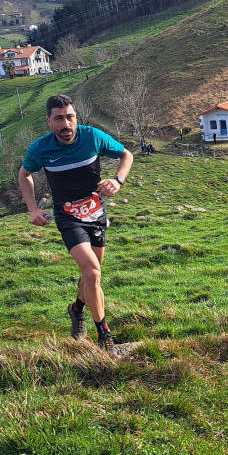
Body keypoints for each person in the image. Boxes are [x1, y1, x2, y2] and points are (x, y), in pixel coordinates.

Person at [18, 94, 133, 349]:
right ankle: (105, 337)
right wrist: (33, 209)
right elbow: (25, 173)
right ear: (49, 122)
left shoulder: (92, 137)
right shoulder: (40, 149)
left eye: (70, 117)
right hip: (68, 216)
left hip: (96, 213)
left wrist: (117, 181)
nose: (66, 124)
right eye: (59, 119)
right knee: (92, 270)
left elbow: (127, 155)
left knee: (92, 276)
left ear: (76, 118)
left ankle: (77, 308)